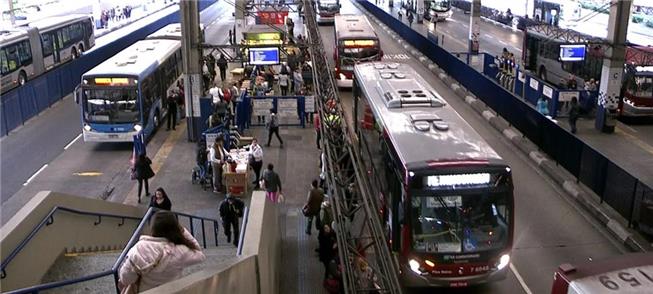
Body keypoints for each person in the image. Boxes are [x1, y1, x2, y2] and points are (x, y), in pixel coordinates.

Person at [118, 211, 205, 292]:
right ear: (175, 228)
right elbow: (200, 255)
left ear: (152, 228)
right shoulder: (180, 251)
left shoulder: (139, 249)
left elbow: (125, 279)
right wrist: (183, 231)